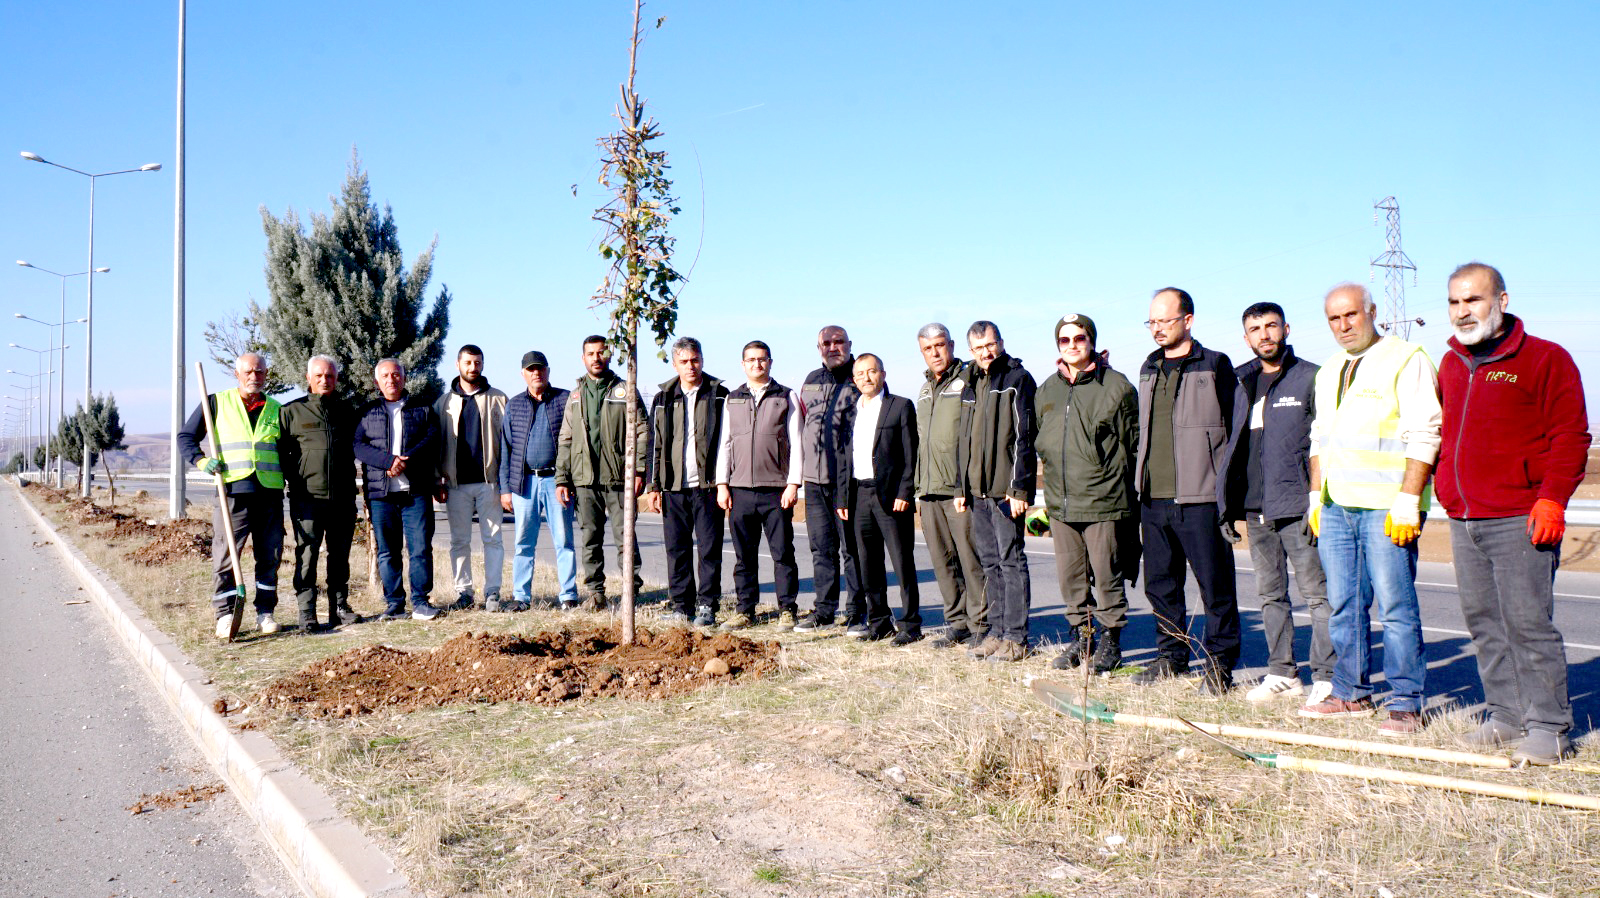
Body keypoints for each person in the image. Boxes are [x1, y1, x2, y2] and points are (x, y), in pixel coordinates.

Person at [1436, 262, 1589, 764]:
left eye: (1474, 299)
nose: (1463, 311)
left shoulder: (1545, 359)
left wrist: (1552, 498)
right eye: (1455, 302)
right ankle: (1506, 716)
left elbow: (1571, 435)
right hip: (1464, 518)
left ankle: (1549, 728)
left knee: (1528, 624)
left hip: (1520, 516)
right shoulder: (1451, 364)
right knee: (1484, 623)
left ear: (1501, 301)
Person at [1299, 283, 1441, 737]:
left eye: (1351, 315)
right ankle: (1351, 692)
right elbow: (1320, 437)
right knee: (1344, 604)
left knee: (1395, 606)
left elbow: (1426, 432)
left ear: (1372, 312)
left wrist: (1408, 499)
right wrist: (1316, 495)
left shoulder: (1405, 358)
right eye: (1334, 318)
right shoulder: (1330, 370)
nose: (1343, 325)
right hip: (1337, 505)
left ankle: (1406, 701)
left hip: (1387, 508)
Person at [1219, 302, 1332, 705]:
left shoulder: (1310, 377)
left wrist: (1316, 498)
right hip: (1256, 507)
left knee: (1318, 596)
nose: (1264, 335)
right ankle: (1283, 674)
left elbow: (1324, 442)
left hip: (1298, 505)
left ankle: (1328, 677)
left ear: (1286, 328)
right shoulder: (1241, 382)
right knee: (1270, 596)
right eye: (1255, 329)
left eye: (1271, 326)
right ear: (1245, 337)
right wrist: (1225, 501)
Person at [1132, 287, 1242, 693]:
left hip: (1201, 498)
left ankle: (1219, 664)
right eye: (1152, 321)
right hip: (1154, 498)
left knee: (1215, 587)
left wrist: (1228, 494)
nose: (1157, 328)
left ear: (1188, 320)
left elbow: (1236, 431)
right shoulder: (1148, 368)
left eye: (1165, 320)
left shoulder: (1214, 365)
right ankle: (1171, 657)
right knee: (1161, 585)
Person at [1035, 314, 1138, 674]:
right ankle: (1084, 638)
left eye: (1079, 338)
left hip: (1103, 501)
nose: (1072, 345)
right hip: (1061, 503)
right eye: (1065, 340)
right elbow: (1042, 440)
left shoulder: (1116, 386)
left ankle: (1111, 643)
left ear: (1091, 341)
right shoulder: (1047, 389)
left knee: (1107, 576)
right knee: (1071, 580)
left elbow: (1133, 444)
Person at [178, 352, 287, 638]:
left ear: (266, 375)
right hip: (233, 493)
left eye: (259, 372)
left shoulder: (276, 409)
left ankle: (265, 613)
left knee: (270, 556)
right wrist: (201, 461)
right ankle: (225, 615)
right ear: (237, 374)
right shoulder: (216, 402)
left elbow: (287, 451)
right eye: (248, 371)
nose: (254, 376)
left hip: (269, 494)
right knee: (226, 556)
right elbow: (186, 437)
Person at [956, 321, 1037, 663]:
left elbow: (1024, 438)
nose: (986, 352)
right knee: (990, 563)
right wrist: (961, 487)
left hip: (1006, 492)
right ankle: (997, 632)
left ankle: (1016, 638)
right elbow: (964, 440)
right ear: (970, 351)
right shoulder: (969, 383)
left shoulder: (1018, 379)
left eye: (990, 345)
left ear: (1000, 343)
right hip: (977, 492)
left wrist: (1019, 489)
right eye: (979, 348)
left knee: (1011, 562)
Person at [715, 340, 803, 630]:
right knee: (744, 556)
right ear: (743, 364)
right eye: (751, 360)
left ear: (770, 362)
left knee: (782, 553)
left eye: (762, 359)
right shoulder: (733, 398)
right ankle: (745, 610)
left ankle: (787, 609)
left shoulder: (786, 396)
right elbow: (725, 443)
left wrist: (793, 483)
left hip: (776, 491)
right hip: (740, 490)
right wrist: (722, 484)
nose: (757, 364)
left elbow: (797, 441)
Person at [834, 353, 921, 643]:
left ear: (882, 374)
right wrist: (842, 498)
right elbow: (844, 458)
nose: (866, 378)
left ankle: (910, 625)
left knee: (901, 561)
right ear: (854, 379)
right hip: (859, 495)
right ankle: (879, 621)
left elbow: (911, 454)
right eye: (860, 374)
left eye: (871, 372)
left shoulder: (900, 406)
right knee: (867, 562)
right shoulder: (849, 412)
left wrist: (904, 491)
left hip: (891, 496)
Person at [555, 336, 647, 609]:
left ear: (609, 355)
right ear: (583, 358)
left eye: (601, 352)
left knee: (625, 537)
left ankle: (631, 592)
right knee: (590, 539)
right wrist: (562, 478)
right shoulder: (576, 395)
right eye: (591, 353)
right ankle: (596, 593)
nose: (596, 358)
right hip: (585, 479)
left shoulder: (625, 389)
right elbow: (566, 438)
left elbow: (642, 430)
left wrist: (639, 469)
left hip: (618, 477)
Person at [645, 337, 730, 628]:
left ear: (702, 360)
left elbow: (726, 441)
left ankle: (707, 605)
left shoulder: (718, 395)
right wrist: (654, 486)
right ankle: (681, 605)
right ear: (675, 365)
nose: (690, 366)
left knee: (709, 549)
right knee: (677, 548)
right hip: (673, 487)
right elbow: (654, 444)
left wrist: (723, 483)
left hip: (707, 487)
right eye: (684, 361)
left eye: (695, 360)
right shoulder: (663, 398)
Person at [913, 323, 987, 649]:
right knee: (943, 563)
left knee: (970, 560)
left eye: (940, 345)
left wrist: (967, 485)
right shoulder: (924, 389)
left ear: (952, 345)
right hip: (929, 491)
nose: (935, 353)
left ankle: (981, 623)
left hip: (959, 491)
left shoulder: (968, 380)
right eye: (928, 348)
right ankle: (958, 623)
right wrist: (917, 487)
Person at [354, 359, 445, 621]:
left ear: (404, 378)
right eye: (385, 376)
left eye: (396, 375)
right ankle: (394, 605)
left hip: (416, 491)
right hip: (381, 494)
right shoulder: (366, 412)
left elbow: (432, 438)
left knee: (420, 549)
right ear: (377, 382)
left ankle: (421, 602)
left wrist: (406, 460)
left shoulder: (423, 409)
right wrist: (388, 462)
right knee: (387, 551)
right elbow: (358, 445)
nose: (391, 379)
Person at [278, 355, 360, 632]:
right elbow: (282, 455)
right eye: (319, 376)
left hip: (342, 499)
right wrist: (295, 482)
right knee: (307, 556)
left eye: (330, 376)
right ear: (308, 378)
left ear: (336, 379)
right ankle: (307, 612)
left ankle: (339, 607)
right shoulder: (291, 412)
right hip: (308, 499)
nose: (325, 380)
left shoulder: (347, 411)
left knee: (340, 555)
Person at [794, 325, 864, 633]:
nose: (833, 347)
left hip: (847, 482)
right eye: (827, 343)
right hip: (814, 481)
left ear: (849, 344)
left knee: (852, 549)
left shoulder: (860, 377)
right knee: (821, 548)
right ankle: (824, 610)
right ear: (819, 347)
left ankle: (857, 611)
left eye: (839, 342)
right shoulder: (811, 380)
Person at [499, 351, 578, 611]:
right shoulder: (514, 405)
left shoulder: (565, 399)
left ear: (548, 371)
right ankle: (521, 597)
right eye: (531, 369)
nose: (536, 373)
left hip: (557, 481)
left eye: (540, 368)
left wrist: (568, 480)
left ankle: (568, 596)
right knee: (523, 542)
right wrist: (505, 489)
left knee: (564, 540)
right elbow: (505, 449)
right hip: (524, 483)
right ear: (523, 374)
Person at [434, 344, 508, 611]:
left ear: (483, 364)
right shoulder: (443, 403)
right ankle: (464, 593)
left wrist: (505, 484)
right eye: (467, 362)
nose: (472, 367)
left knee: (493, 540)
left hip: (489, 483)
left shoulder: (499, 399)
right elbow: (436, 445)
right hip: (456, 485)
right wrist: (438, 479)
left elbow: (508, 445)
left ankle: (492, 593)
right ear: (457, 365)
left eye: (477, 362)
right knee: (459, 542)